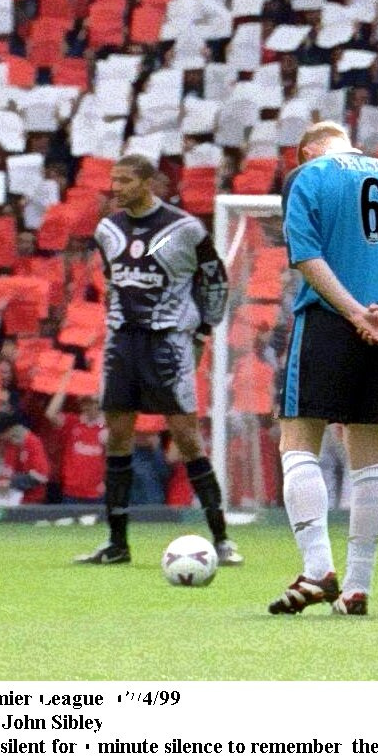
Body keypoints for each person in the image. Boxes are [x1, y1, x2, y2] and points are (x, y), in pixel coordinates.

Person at [268, 121, 378, 617]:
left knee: (298, 441)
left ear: (305, 151)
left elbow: (306, 256)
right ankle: (358, 585)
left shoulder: (309, 176)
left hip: (330, 321)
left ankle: (319, 566)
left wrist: (351, 312)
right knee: (369, 457)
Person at [76, 154, 237, 568]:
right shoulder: (107, 229)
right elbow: (113, 280)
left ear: (149, 183)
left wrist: (204, 330)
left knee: (185, 436)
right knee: (117, 435)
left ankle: (221, 539)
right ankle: (116, 543)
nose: (116, 188)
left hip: (167, 343)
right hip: (122, 342)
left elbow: (215, 278)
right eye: (114, 180)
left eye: (126, 181)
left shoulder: (185, 229)